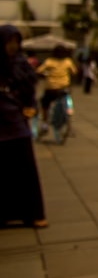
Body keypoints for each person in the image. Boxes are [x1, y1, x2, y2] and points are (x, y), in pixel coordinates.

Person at [0, 25, 47, 228]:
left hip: (17, 123)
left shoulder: (21, 64)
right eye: (9, 42)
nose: (12, 46)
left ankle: (33, 214)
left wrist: (30, 106)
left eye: (16, 42)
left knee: (25, 170)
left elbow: (30, 90)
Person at [35, 45, 78, 140]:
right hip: (64, 88)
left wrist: (45, 74)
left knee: (45, 104)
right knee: (68, 104)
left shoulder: (49, 61)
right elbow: (74, 72)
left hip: (51, 88)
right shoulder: (68, 61)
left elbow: (39, 71)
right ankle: (69, 124)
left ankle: (45, 124)